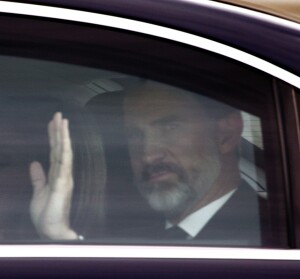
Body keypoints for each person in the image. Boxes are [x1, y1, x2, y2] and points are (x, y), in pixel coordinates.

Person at [29, 81, 262, 245]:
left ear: (226, 135)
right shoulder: (126, 238)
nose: (148, 154)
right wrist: (57, 234)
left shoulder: (273, 234)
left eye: (169, 127)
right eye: (134, 136)